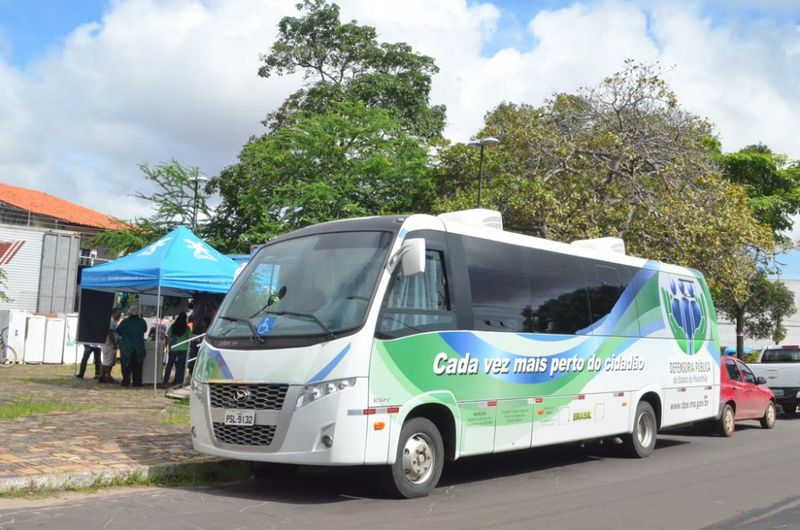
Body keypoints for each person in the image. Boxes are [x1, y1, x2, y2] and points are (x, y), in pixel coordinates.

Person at [116, 307, 148, 387]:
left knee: (126, 365)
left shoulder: (125, 321)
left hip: (127, 348)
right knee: (137, 366)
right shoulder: (142, 321)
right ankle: (137, 382)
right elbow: (145, 330)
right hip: (138, 348)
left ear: (129, 313)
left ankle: (126, 381)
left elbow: (118, 331)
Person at [162, 312, 191, 387]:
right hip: (183, 349)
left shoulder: (173, 327)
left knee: (169, 366)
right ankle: (178, 383)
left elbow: (168, 338)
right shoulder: (187, 328)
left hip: (173, 348)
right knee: (180, 367)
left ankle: (165, 382)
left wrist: (168, 347)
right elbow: (189, 339)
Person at [98, 308, 122, 384]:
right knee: (109, 362)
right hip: (109, 344)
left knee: (105, 361)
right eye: (118, 313)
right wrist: (114, 343)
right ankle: (108, 377)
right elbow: (109, 333)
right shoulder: (111, 321)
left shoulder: (114, 321)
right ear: (114, 313)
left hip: (109, 344)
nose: (119, 315)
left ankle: (102, 377)